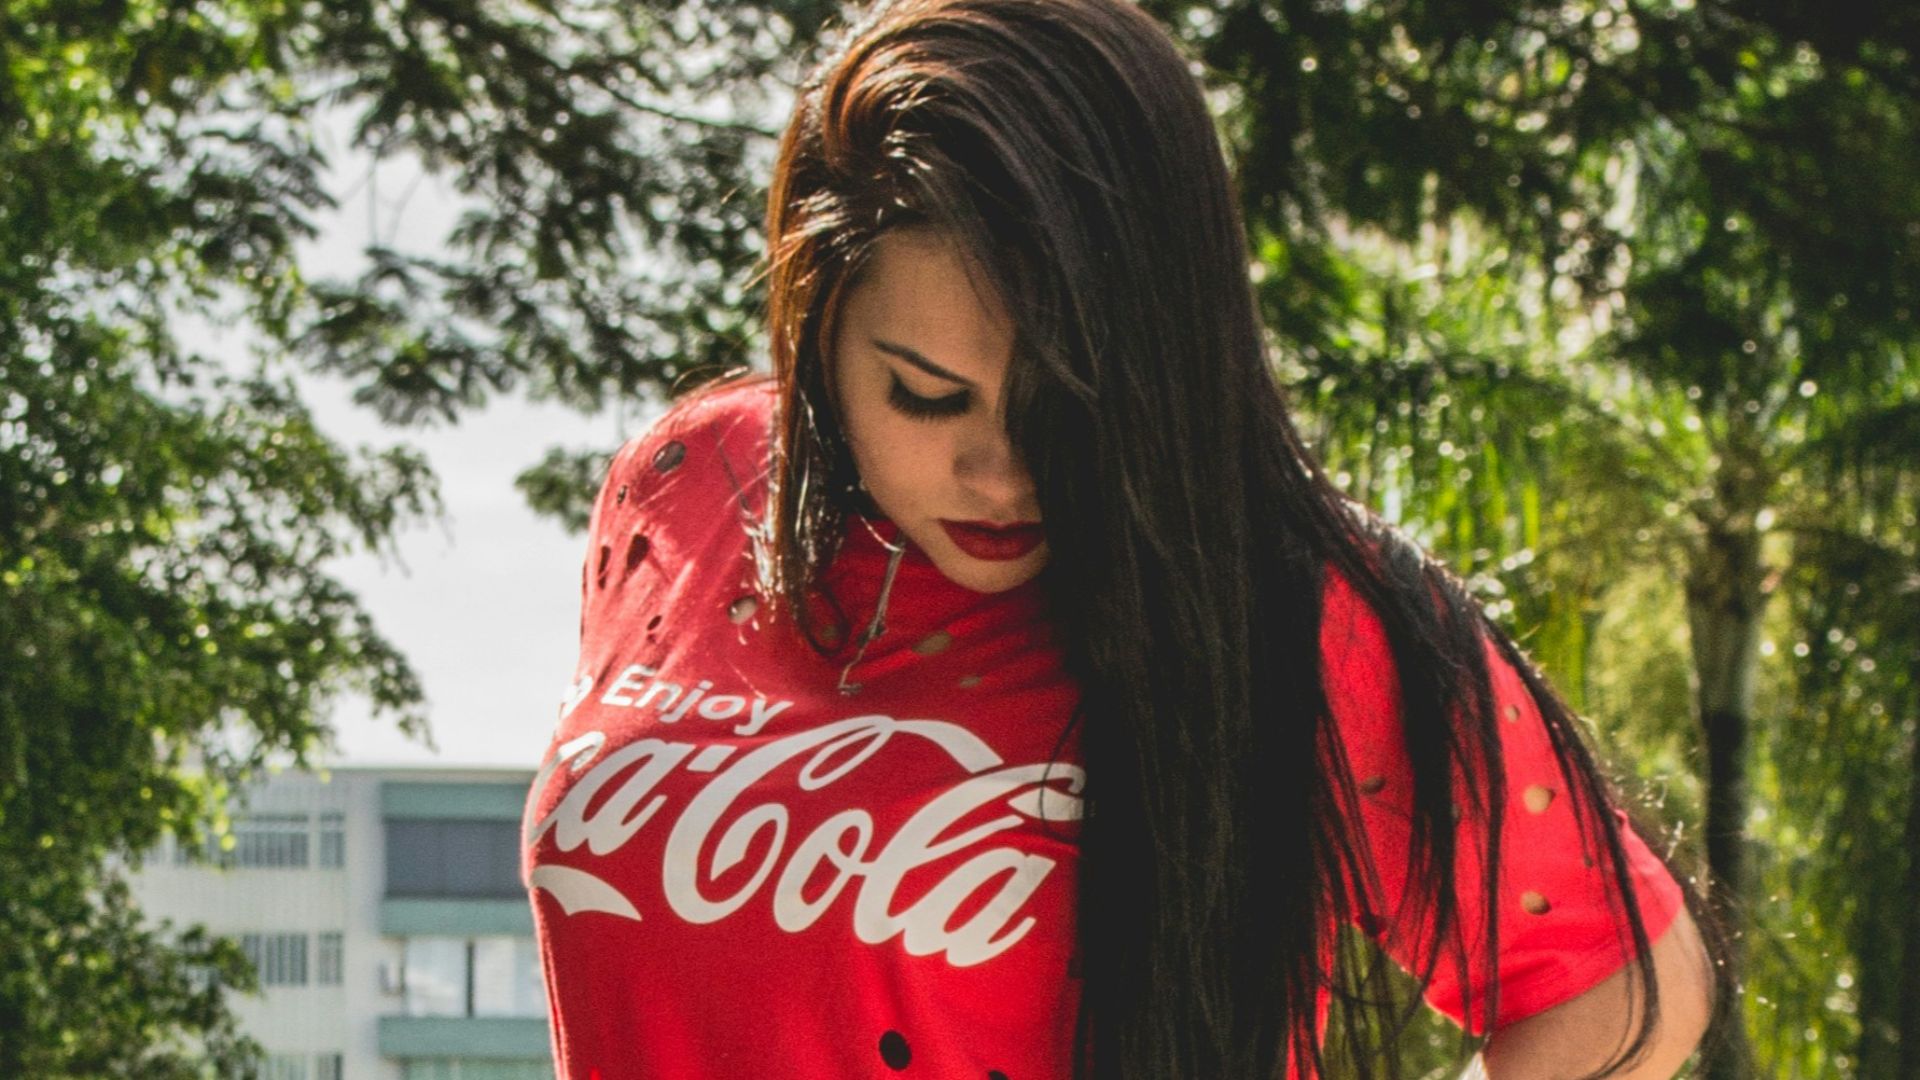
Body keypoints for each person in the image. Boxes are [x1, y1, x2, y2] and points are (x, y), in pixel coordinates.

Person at [520, 1, 1723, 1077]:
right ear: (815, 324)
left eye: (1074, 407)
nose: (1004, 473)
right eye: (927, 396)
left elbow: (1625, 985)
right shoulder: (684, 484)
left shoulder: (1292, 609)